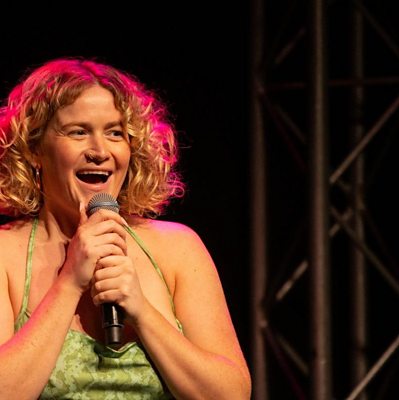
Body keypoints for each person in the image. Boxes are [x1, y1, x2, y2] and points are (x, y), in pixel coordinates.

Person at [0, 57, 251, 399]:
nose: (100, 151)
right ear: (34, 148)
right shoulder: (5, 252)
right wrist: (70, 282)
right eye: (78, 132)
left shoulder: (178, 248)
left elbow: (231, 394)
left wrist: (142, 311)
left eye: (115, 133)